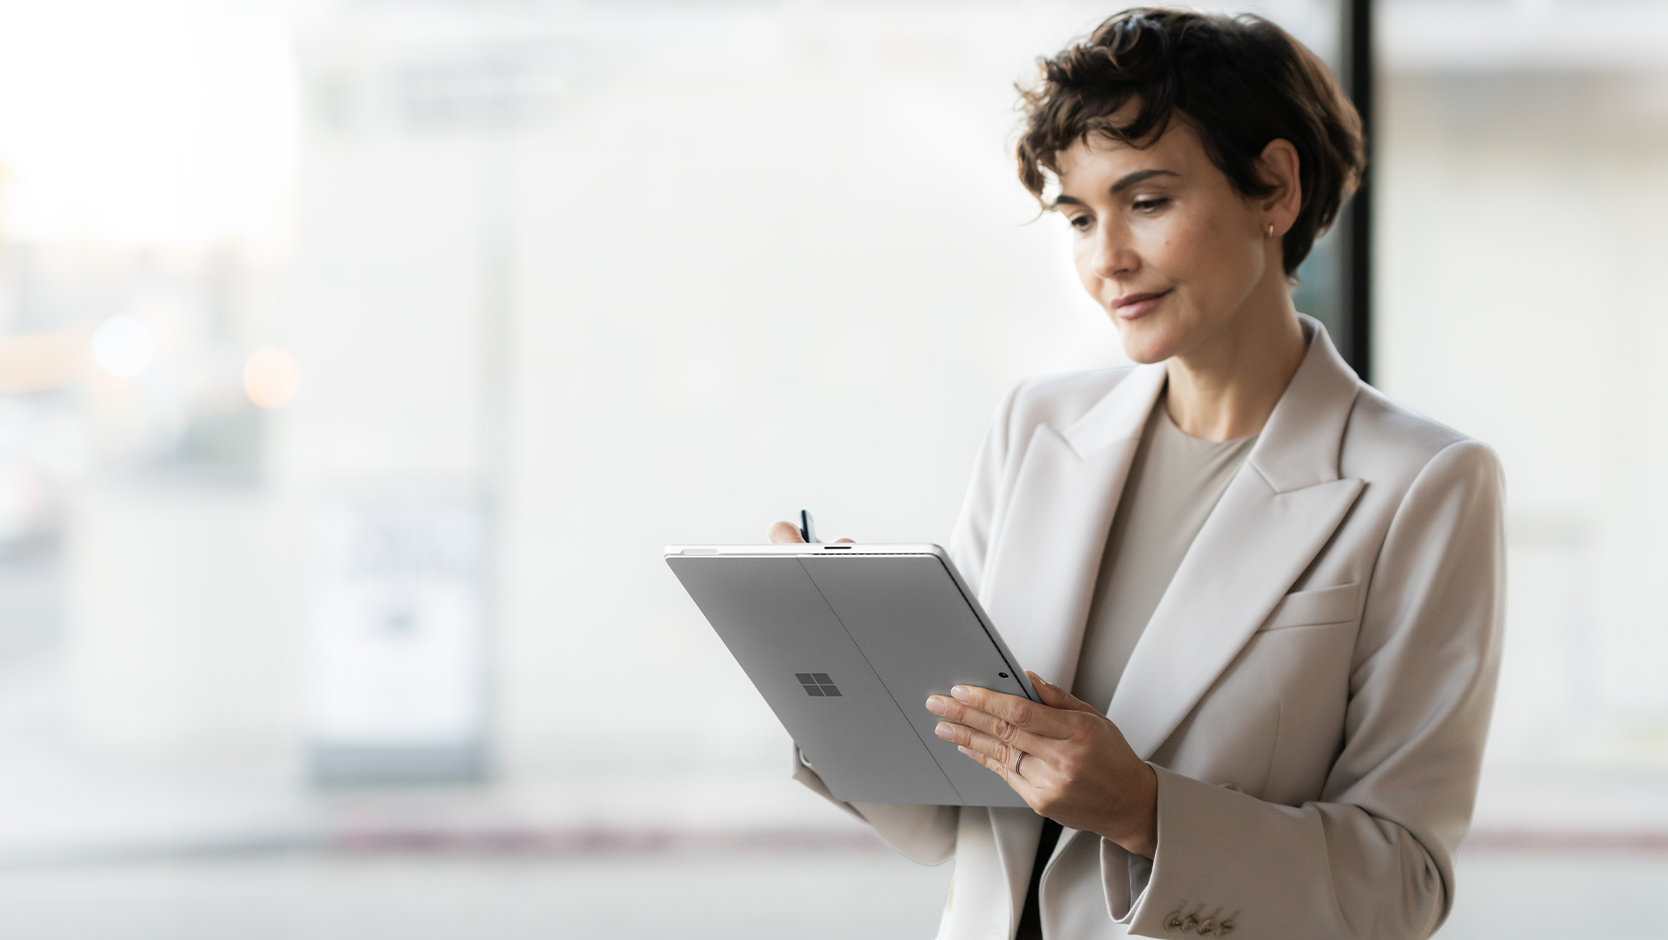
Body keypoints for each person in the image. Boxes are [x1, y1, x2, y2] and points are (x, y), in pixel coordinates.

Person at [770, 8, 1504, 939]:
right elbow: (950, 817)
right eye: (1080, 217)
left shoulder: (1424, 483)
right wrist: (849, 673)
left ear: (1274, 187)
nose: (1105, 259)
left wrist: (1144, 811)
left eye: (1147, 202)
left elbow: (1400, 886)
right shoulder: (1037, 425)